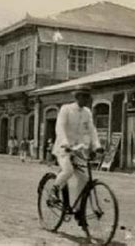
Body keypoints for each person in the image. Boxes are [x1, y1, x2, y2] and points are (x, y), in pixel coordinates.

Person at [51, 85, 101, 224]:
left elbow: (92, 130)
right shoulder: (66, 109)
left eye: (88, 97)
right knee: (68, 170)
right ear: (77, 96)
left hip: (78, 149)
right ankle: (54, 190)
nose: (86, 99)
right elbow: (60, 127)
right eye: (84, 96)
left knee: (84, 178)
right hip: (63, 148)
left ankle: (79, 210)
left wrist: (97, 146)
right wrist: (65, 143)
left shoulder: (87, 112)